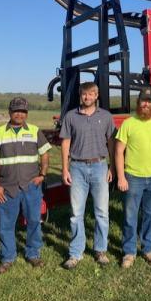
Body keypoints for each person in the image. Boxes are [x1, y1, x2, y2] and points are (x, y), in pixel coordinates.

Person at [0, 97, 51, 274]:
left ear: (26, 113)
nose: (19, 114)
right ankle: (7, 258)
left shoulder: (35, 131)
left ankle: (33, 254)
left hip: (31, 186)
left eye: (23, 111)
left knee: (34, 221)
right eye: (16, 111)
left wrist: (42, 174)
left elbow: (44, 154)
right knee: (5, 224)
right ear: (9, 112)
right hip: (7, 188)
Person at [60, 82, 116, 270]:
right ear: (80, 96)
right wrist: (65, 168)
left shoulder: (106, 117)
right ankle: (76, 253)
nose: (87, 97)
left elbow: (111, 143)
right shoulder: (70, 116)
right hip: (77, 167)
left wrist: (112, 167)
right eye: (84, 94)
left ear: (97, 96)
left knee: (102, 212)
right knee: (76, 214)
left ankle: (100, 250)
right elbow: (66, 143)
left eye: (91, 94)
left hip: (99, 165)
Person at [115, 87, 151, 269]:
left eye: (149, 101)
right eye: (143, 101)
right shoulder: (129, 123)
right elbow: (119, 151)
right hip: (133, 177)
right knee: (130, 216)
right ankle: (129, 252)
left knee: (150, 215)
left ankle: (148, 249)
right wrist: (121, 177)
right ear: (138, 103)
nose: (146, 104)